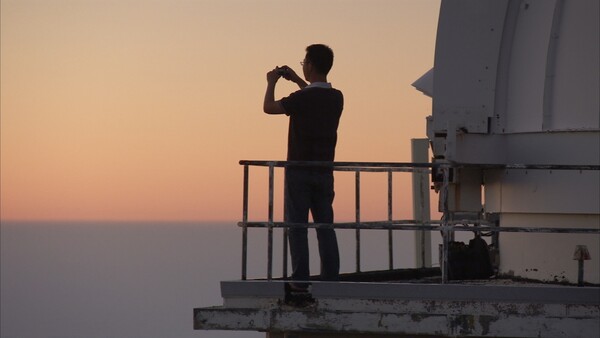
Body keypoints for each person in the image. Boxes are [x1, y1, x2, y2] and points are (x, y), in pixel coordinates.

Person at [263, 44, 343, 290]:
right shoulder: (336, 96)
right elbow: (313, 96)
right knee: (324, 226)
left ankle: (300, 281)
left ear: (310, 64)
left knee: (297, 227)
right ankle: (330, 279)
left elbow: (269, 107)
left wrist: (271, 82)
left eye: (303, 63)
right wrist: (297, 79)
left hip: (298, 170)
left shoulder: (302, 99)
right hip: (324, 170)